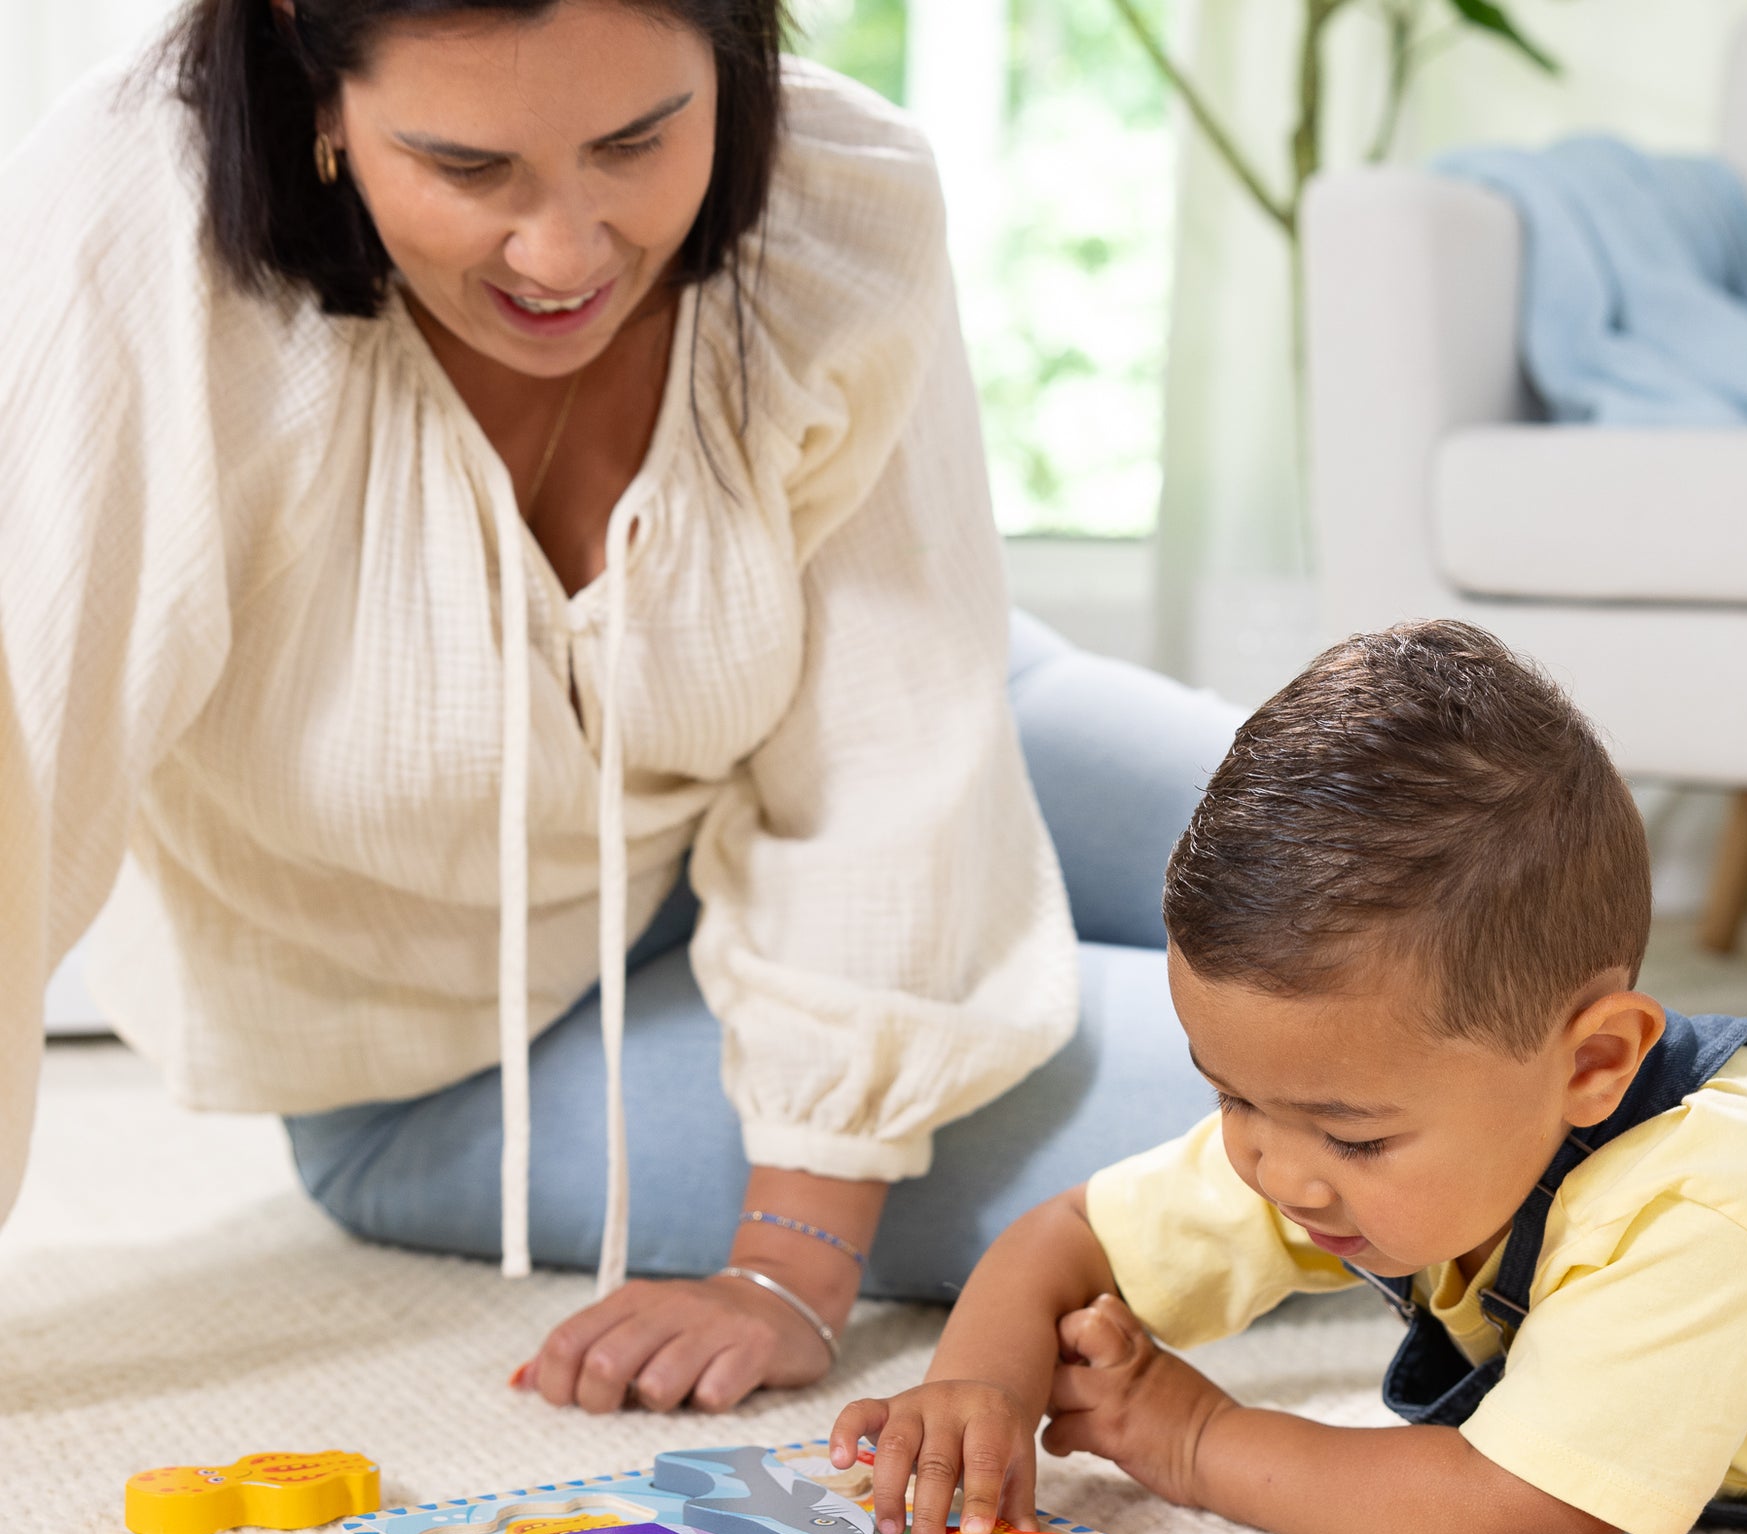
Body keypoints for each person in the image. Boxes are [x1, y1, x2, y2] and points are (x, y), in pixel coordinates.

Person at [0, 0, 1236, 1413]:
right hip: (472, 1051)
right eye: (469, 168)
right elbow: (14, 779)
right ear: (313, 75)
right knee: (1377, 1108)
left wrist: (788, 1261)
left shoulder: (834, 196)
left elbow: (895, 752)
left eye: (638, 141)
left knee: (1432, 881)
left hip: (903, 721)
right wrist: (785, 1255)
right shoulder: (129, 238)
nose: (563, 253)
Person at [833, 621, 1747, 1534]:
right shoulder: (1330, 1123)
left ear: (1594, 1065)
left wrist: (1196, 1436)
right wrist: (973, 1385)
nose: (1276, 1172)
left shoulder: (1709, 1198)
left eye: (1353, 1137)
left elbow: (1511, 1525)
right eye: (1230, 1096)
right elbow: (1069, 1235)